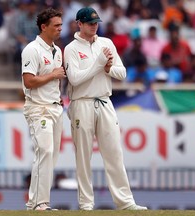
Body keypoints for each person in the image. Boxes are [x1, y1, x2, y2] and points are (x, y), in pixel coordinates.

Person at [63, 7, 147, 211]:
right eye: (90, 23)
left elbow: (122, 73)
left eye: (96, 23)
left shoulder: (106, 43)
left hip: (104, 100)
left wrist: (108, 68)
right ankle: (86, 204)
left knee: (114, 153)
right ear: (79, 24)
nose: (94, 26)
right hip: (81, 102)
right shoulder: (71, 49)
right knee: (83, 156)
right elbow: (74, 79)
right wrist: (99, 64)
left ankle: (125, 202)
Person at [21, 8, 66, 210]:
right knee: (44, 152)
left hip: (55, 107)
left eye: (60, 25)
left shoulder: (57, 51)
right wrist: (53, 75)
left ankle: (36, 203)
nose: (60, 29)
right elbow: (29, 81)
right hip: (38, 108)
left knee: (51, 156)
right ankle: (38, 203)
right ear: (43, 27)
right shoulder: (32, 49)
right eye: (56, 25)